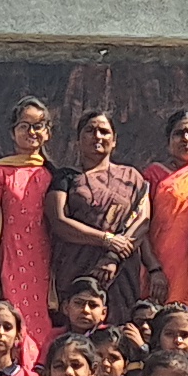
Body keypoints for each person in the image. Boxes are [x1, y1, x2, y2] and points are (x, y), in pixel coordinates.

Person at [0, 98, 62, 370]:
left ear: (48, 132)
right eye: (24, 126)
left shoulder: (54, 175)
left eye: (38, 126)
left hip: (46, 263)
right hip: (11, 260)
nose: (32, 132)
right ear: (13, 132)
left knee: (42, 324)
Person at [46, 110, 152, 324]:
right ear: (79, 139)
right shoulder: (66, 177)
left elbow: (142, 221)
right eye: (90, 131)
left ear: (114, 141)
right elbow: (59, 222)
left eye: (104, 131)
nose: (97, 136)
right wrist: (106, 239)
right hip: (75, 266)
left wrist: (113, 257)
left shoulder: (132, 178)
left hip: (119, 271)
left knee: (117, 329)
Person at [139, 110, 188, 315]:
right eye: (179, 133)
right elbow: (140, 224)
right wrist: (154, 268)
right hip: (159, 265)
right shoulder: (154, 174)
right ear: (169, 141)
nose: (186, 138)